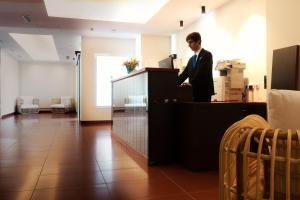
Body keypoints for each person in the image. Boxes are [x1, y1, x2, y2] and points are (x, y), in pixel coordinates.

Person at [177, 32, 214, 102]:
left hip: (203, 92)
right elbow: (185, 74)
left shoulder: (207, 55)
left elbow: (203, 72)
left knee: (202, 112)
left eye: (191, 42)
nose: (189, 45)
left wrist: (192, 83)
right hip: (192, 92)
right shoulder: (191, 59)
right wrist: (173, 83)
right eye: (188, 43)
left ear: (198, 41)